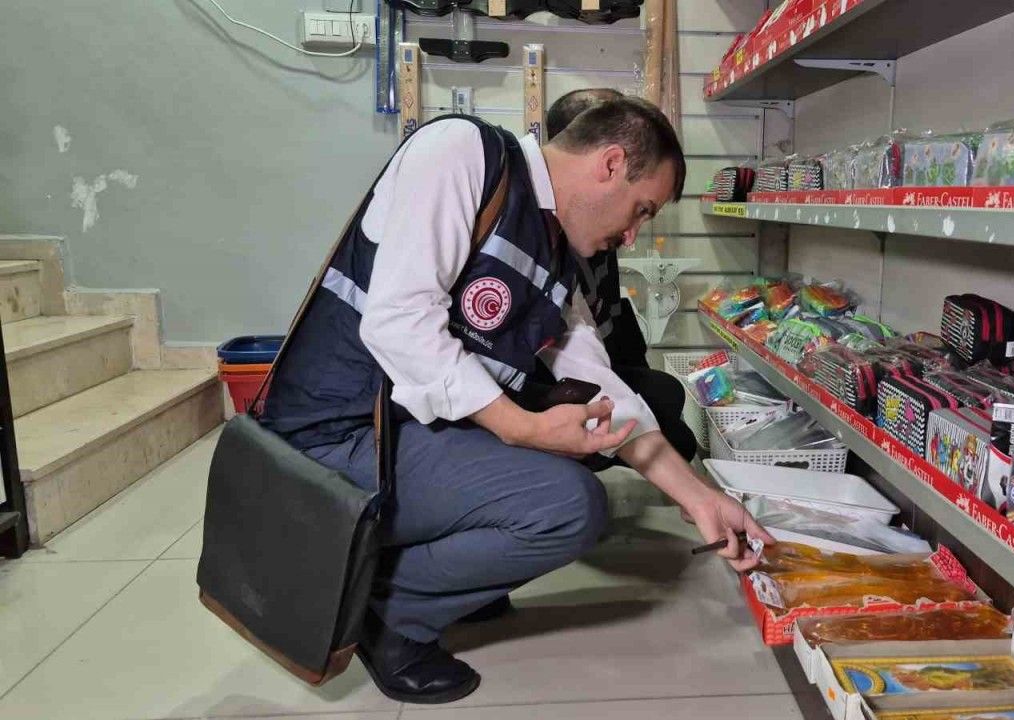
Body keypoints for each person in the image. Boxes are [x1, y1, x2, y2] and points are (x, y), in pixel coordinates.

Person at [259, 97, 772, 705]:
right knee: (567, 505)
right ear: (610, 164)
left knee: (571, 454)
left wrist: (700, 496)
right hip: (333, 438)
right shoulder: (461, 153)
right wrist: (519, 428)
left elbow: (601, 384)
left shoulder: (556, 250)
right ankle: (390, 611)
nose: (632, 236)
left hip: (396, 431)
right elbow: (398, 323)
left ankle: (437, 580)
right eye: (641, 210)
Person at [539, 88, 698, 465]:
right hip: (549, 388)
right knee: (671, 434)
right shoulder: (556, 236)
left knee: (668, 401)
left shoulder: (595, 234)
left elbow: (592, 332)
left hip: (589, 368)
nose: (630, 237)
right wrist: (519, 426)